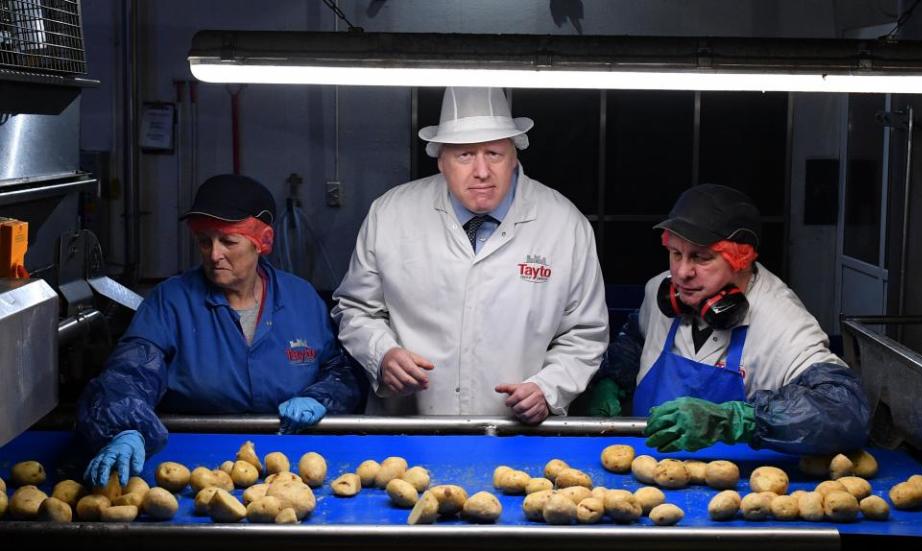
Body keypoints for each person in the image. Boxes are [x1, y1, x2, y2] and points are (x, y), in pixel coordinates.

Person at [332, 86, 608, 424]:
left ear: (514, 156)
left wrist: (548, 389)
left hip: (518, 437)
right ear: (441, 161)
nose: (481, 171)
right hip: (408, 433)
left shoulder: (564, 224)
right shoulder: (390, 214)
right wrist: (382, 354)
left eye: (494, 153)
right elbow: (356, 309)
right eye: (464, 155)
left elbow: (585, 333)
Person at [77, 174, 361, 486]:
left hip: (291, 467)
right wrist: (124, 427)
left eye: (228, 241)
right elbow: (128, 373)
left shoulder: (301, 298)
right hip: (191, 467)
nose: (214, 255)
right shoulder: (172, 301)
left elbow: (340, 368)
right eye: (204, 241)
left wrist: (321, 397)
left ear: (261, 242)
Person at [585, 183, 870, 455]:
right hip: (644, 466)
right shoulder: (660, 291)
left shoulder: (781, 321)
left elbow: (847, 411)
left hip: (737, 487)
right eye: (675, 254)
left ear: (741, 259)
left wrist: (737, 420)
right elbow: (637, 337)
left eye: (702, 257)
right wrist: (612, 379)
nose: (682, 273)